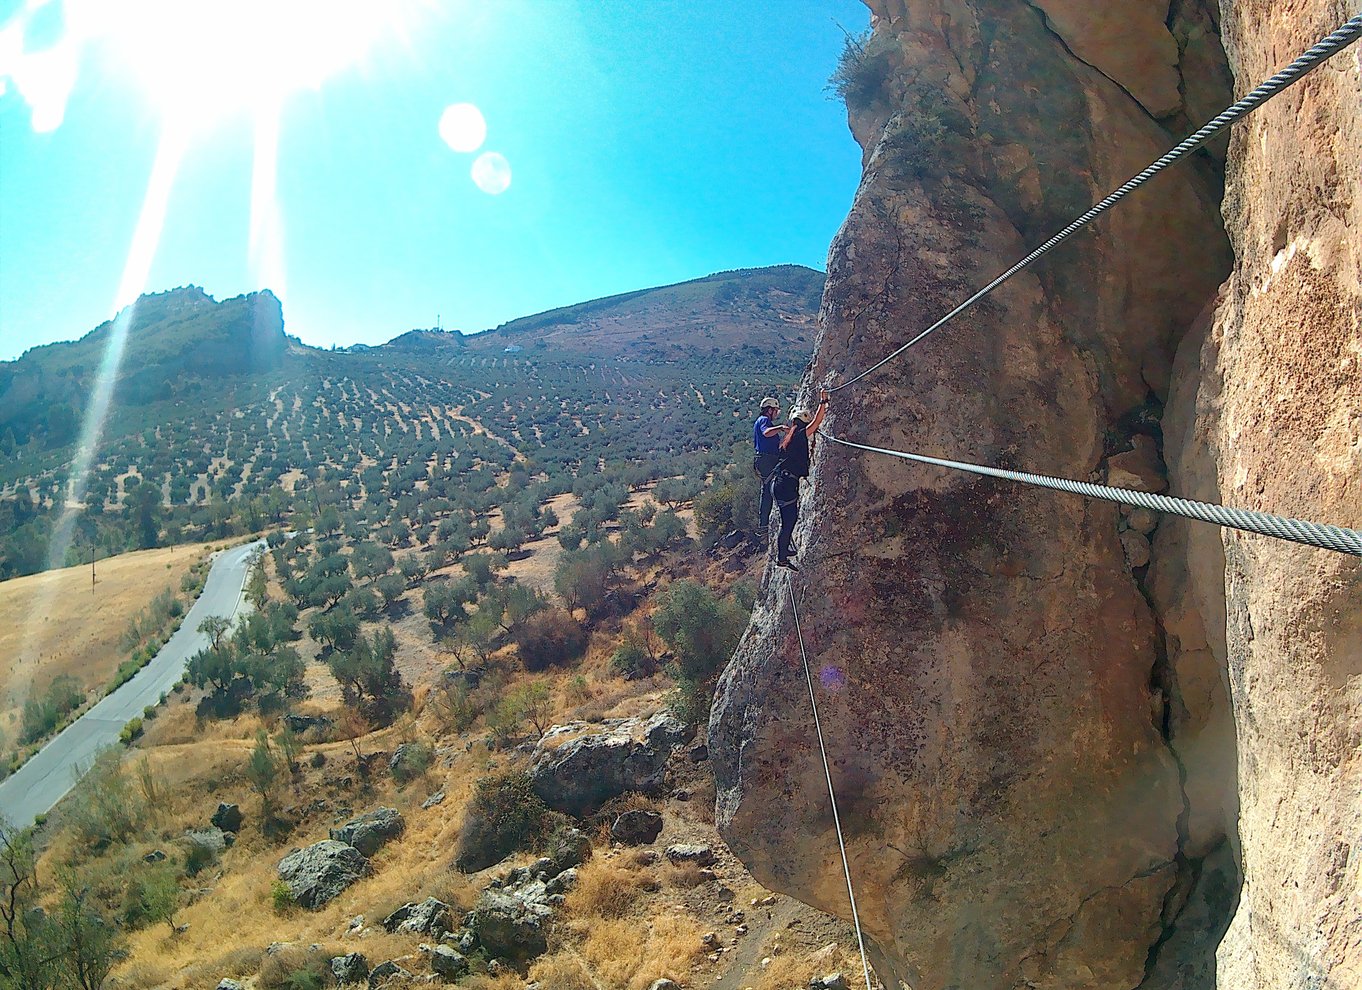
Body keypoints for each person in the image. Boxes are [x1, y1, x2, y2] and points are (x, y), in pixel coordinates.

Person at [770, 389, 829, 571]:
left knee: (788, 520)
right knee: (789, 521)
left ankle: (784, 550)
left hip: (780, 483)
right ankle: (781, 557)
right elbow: (817, 423)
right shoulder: (799, 434)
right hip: (786, 485)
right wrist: (823, 402)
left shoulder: (788, 438)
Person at [752, 397, 784, 536]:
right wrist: (781, 428)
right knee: (769, 490)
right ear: (769, 410)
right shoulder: (764, 421)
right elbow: (766, 432)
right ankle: (764, 524)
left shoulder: (763, 421)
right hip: (767, 460)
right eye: (775, 410)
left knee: (767, 490)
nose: (776, 413)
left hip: (764, 459)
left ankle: (763, 524)